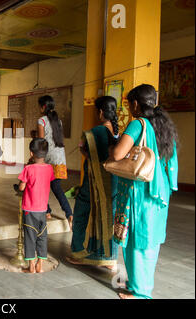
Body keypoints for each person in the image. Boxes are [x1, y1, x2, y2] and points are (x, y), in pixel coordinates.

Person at [110, 84, 178, 299]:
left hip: (140, 190)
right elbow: (171, 160)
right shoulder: (163, 126)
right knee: (149, 241)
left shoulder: (138, 124)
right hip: (160, 191)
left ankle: (141, 293)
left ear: (136, 104)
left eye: (129, 103)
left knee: (137, 242)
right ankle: (137, 285)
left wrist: (113, 149)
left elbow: (119, 154)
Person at [66, 96, 120, 270]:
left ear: (101, 112)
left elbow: (86, 150)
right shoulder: (119, 133)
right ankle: (109, 257)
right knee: (108, 217)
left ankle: (80, 253)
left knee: (82, 213)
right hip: (113, 182)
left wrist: (84, 150)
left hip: (94, 182)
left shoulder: (94, 132)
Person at [17, 138, 55, 273]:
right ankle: (40, 263)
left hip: (29, 209)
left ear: (31, 153)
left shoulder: (28, 168)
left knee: (30, 236)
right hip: (42, 209)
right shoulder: (50, 169)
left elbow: (21, 187)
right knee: (42, 236)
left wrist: (22, 183)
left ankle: (31, 266)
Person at [37, 95, 73, 226]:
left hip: (48, 157)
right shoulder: (58, 121)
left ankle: (47, 211)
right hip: (59, 158)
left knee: (42, 185)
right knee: (57, 187)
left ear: (43, 107)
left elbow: (41, 142)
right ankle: (69, 214)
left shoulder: (42, 121)